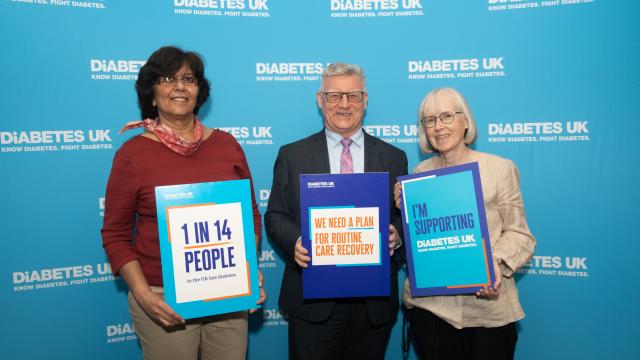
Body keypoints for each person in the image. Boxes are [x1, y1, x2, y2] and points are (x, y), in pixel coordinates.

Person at [101, 46, 265, 360]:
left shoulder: (227, 145)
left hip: (227, 293)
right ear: (151, 95)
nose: (179, 86)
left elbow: (251, 217)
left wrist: (245, 266)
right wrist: (143, 294)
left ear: (199, 92)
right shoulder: (132, 155)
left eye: (188, 79)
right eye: (167, 79)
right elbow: (116, 235)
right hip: (163, 300)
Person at [265, 62, 408, 360]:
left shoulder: (394, 158)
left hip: (372, 304)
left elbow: (401, 217)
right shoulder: (292, 155)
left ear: (365, 100)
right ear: (320, 100)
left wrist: (396, 235)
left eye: (353, 96)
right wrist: (295, 242)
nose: (344, 104)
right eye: (334, 96)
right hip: (313, 302)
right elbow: (276, 214)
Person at [394, 87, 535, 360]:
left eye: (447, 116)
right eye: (430, 120)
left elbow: (520, 235)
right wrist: (405, 208)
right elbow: (420, 240)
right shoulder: (419, 174)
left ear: (466, 121)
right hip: (431, 310)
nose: (439, 126)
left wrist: (494, 263)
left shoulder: (499, 168)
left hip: (487, 313)